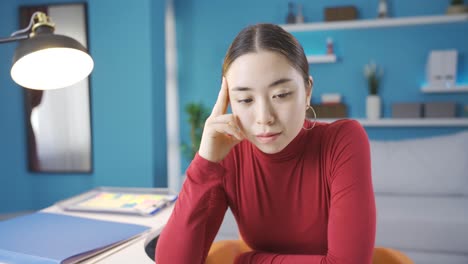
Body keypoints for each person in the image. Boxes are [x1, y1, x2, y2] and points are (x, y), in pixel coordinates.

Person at [156, 23, 376, 264]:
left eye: (281, 95)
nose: (264, 117)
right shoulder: (229, 153)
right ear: (230, 101)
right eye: (245, 99)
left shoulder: (343, 140)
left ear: (307, 91)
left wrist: (250, 260)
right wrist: (205, 163)